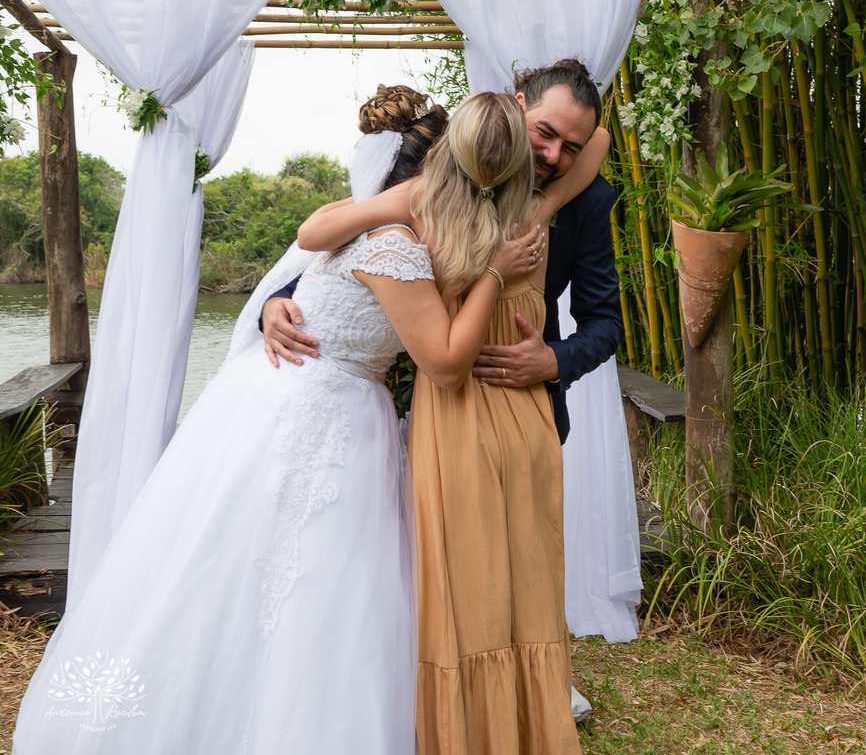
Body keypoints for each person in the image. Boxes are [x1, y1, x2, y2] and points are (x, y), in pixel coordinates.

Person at [11, 88, 545, 755]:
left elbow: (315, 237)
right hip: (325, 416)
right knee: (289, 584)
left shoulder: (386, 224)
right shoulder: (396, 239)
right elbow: (442, 362)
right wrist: (493, 272)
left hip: (281, 400)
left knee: (262, 577)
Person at [263, 59, 628, 721]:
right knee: (419, 570)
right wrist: (283, 301)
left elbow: (607, 322)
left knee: (522, 570)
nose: (555, 154)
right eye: (544, 133)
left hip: (522, 402)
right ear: (514, 108)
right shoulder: (451, 162)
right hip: (422, 403)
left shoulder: (575, 197)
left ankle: (527, 688)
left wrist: (552, 359)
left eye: (570, 147)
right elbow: (351, 243)